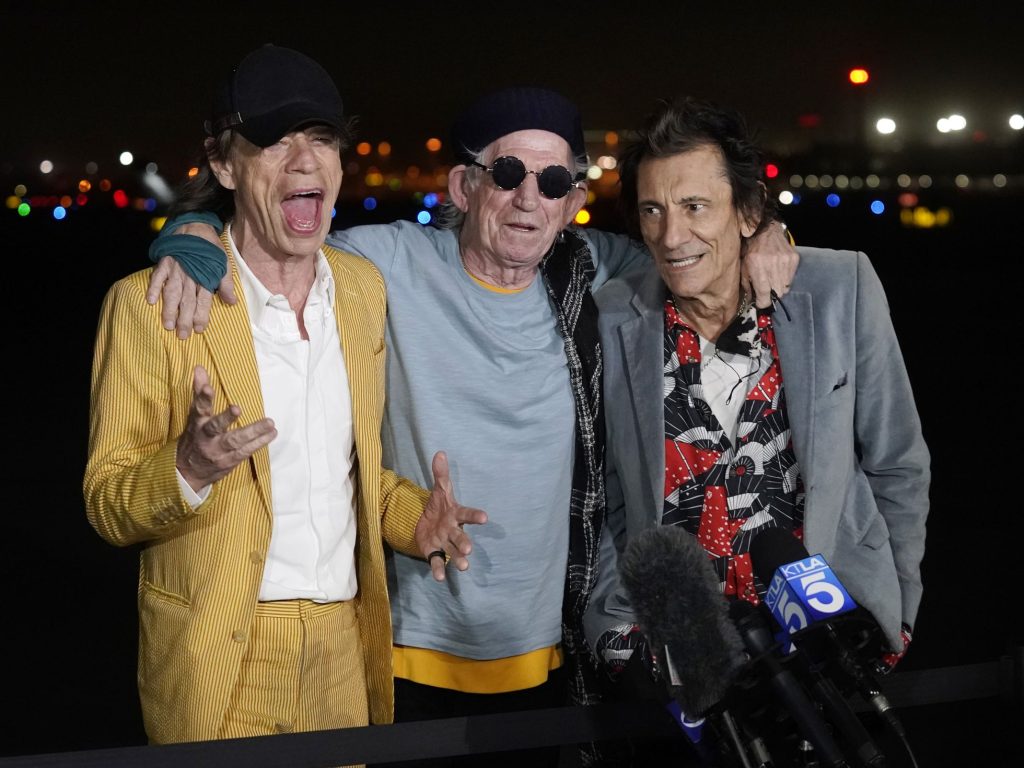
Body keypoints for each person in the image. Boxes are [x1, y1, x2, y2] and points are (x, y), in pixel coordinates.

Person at [145, 85, 798, 766]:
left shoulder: (598, 273)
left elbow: (697, 248)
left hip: (547, 659)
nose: (529, 200)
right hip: (403, 656)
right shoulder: (386, 262)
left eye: (553, 183)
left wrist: (769, 235)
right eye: (508, 174)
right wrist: (191, 233)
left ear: (573, 202)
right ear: (463, 186)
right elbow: (270, 240)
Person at [83, 44, 485, 748]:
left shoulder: (361, 292)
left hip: (343, 649)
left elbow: (347, 473)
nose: (304, 161)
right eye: (274, 140)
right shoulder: (150, 307)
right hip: (219, 657)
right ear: (223, 164)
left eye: (321, 139)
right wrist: (188, 467)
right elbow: (106, 504)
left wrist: (413, 519)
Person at [584, 96, 930, 762]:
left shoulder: (840, 288)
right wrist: (619, 636)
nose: (671, 236)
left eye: (695, 207)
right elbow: (603, 498)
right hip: (683, 672)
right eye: (652, 210)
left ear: (748, 214)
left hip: (828, 646)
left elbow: (898, 462)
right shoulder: (613, 317)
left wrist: (898, 612)